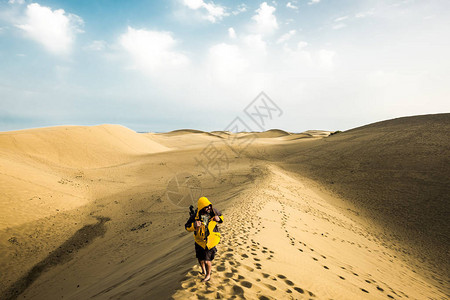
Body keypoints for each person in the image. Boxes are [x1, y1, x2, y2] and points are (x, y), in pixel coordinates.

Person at [185, 196, 223, 282]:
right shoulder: (195, 216)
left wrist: (219, 219)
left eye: (209, 205)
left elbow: (221, 217)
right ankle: (203, 270)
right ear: (202, 207)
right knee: (200, 259)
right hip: (199, 241)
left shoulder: (214, 211)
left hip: (211, 240)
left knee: (207, 261)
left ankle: (208, 275)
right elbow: (187, 227)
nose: (209, 207)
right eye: (206, 207)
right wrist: (194, 226)